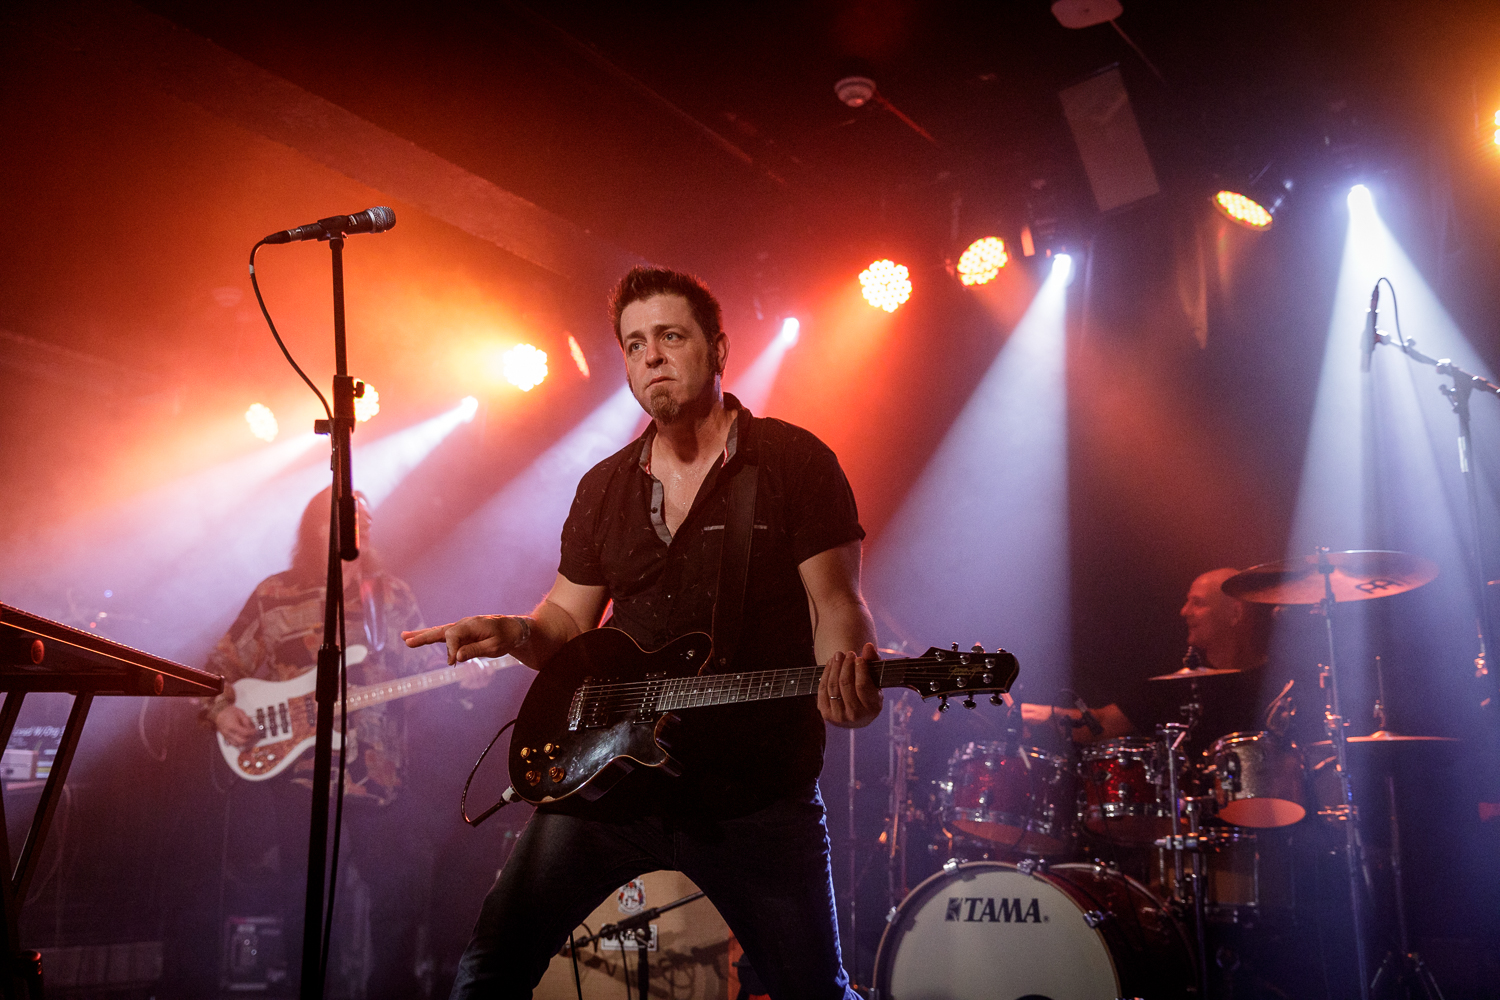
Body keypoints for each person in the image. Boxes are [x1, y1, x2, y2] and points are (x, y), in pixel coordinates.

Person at [403, 266, 881, 1000]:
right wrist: (515, 629)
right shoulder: (603, 486)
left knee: (817, 991)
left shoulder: (792, 462)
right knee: (488, 972)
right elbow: (564, 622)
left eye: (669, 336)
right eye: (633, 345)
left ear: (718, 349)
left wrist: (844, 671)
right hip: (611, 781)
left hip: (753, 792)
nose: (651, 355)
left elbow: (836, 604)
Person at [202, 488, 492, 998]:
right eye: (347, 516)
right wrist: (221, 710)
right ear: (317, 525)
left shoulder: (391, 595)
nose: (361, 525)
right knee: (306, 905)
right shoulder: (275, 593)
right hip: (302, 778)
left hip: (379, 776)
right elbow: (221, 666)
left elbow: (418, 661)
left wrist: (464, 672)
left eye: (366, 518)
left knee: (399, 901)